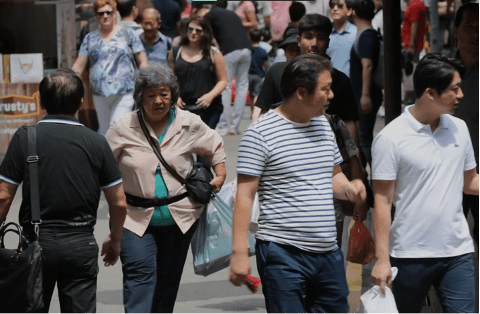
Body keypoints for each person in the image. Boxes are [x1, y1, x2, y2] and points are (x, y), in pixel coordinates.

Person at [229, 54, 367, 313]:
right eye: (325, 89)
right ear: (302, 92)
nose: (331, 95)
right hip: (282, 254)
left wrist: (349, 188)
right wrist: (238, 253)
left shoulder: (325, 126)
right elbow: (245, 195)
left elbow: (333, 175)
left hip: (328, 252)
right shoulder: (260, 133)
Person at [0, 69, 127, 313]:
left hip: (35, 243)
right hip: (80, 243)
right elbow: (119, 202)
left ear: (41, 101)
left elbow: (4, 196)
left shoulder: (26, 138)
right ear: (81, 101)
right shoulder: (97, 142)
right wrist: (115, 239)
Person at [106, 62, 227, 313]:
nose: (158, 100)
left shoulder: (188, 122)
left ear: (173, 95)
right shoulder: (122, 127)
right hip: (133, 219)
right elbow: (103, 166)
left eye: (164, 94)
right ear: (140, 98)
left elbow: (214, 145)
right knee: (139, 278)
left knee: (167, 283)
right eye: (151, 95)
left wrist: (221, 173)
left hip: (180, 219)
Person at [371, 53, 478, 313]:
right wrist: (382, 259)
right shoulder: (391, 138)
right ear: (430, 93)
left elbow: (471, 182)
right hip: (409, 255)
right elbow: (382, 201)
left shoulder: (459, 128)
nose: (460, 94)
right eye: (454, 89)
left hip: (457, 252)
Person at [72, 0, 148, 135]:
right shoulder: (90, 38)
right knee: (107, 131)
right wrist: (69, 80)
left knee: (116, 127)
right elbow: (79, 64)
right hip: (99, 93)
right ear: (96, 16)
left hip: (124, 91)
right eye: (101, 13)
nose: (105, 16)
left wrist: (144, 82)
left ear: (115, 14)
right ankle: (111, 156)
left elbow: (142, 60)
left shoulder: (128, 34)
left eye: (109, 12)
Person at [197, 2, 253, 135]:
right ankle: (234, 126)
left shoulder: (210, 15)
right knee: (242, 87)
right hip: (246, 49)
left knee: (225, 86)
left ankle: (223, 125)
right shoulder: (233, 14)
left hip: (230, 51)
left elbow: (207, 35)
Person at [168, 17, 227, 129]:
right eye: (190, 29)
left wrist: (210, 96)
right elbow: (170, 78)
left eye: (198, 30)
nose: (193, 33)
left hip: (208, 108)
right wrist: (175, 97)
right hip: (183, 108)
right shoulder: (176, 51)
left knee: (203, 143)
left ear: (204, 32)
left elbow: (223, 80)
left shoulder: (213, 53)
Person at [453, 2, 479, 245]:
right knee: (447, 242)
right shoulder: (444, 72)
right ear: (456, 31)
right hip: (449, 173)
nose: (476, 33)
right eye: (469, 26)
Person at [347, 0, 382, 167]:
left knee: (364, 139)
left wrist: (365, 95)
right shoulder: (365, 34)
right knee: (362, 139)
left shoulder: (366, 35)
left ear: (353, 12)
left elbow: (367, 65)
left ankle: (379, 177)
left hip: (366, 95)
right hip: (361, 95)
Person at [327, 0, 358, 77]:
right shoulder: (325, 33)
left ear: (349, 11)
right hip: (328, 83)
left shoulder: (356, 33)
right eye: (332, 5)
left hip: (350, 84)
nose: (335, 8)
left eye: (340, 5)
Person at [248, 28, 269, 117]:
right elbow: (266, 64)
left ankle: (252, 111)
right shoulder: (263, 51)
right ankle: (255, 114)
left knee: (250, 94)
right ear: (261, 38)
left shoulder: (248, 50)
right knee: (256, 94)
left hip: (248, 75)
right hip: (259, 75)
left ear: (250, 38)